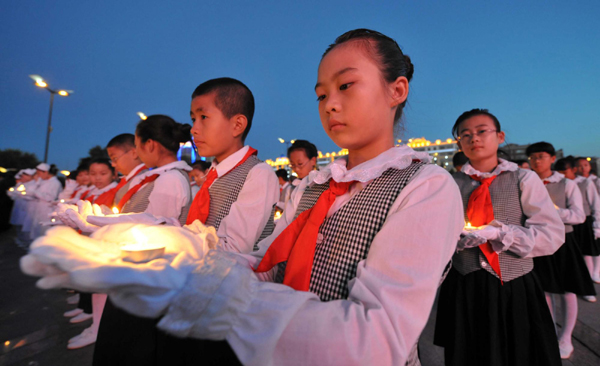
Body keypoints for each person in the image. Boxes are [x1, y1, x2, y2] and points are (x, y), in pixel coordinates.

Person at [24, 29, 464, 366]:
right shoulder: (318, 186)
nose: (330, 104)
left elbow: (379, 338)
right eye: (321, 94)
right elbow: (269, 263)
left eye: (346, 86)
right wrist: (170, 250)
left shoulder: (425, 186)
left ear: (397, 90)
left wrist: (227, 300)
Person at [434, 109, 564, 366]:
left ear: (500, 136)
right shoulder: (449, 183)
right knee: (469, 354)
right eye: (465, 135)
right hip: (464, 283)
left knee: (517, 352)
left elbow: (552, 234)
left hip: (513, 285)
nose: (474, 139)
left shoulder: (523, 178)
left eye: (482, 131)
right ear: (459, 143)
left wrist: (500, 233)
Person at [527, 144, 594, 359]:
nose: (536, 161)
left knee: (568, 290)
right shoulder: (527, 182)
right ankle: (551, 332)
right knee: (543, 289)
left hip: (564, 241)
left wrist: (552, 212)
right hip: (537, 241)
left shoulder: (566, 183)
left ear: (552, 158)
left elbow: (579, 216)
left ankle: (566, 337)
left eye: (541, 157)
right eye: (532, 157)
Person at [574, 156, 600, 286]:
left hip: (593, 216)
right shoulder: (576, 182)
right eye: (580, 166)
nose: (583, 168)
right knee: (588, 249)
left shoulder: (594, 181)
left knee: (594, 248)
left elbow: (596, 203)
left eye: (585, 165)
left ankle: (596, 272)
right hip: (583, 218)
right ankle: (591, 274)